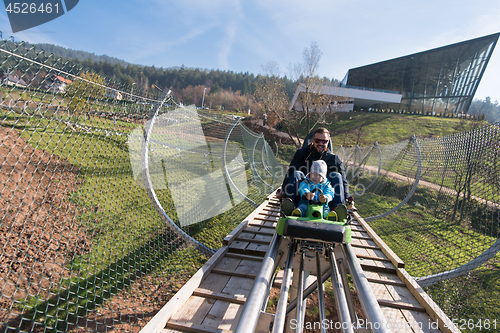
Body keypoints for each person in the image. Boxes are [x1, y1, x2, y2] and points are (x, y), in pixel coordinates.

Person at [278, 127, 353, 221]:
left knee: (337, 176)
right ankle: (292, 206)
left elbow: (343, 181)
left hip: (324, 192)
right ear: (313, 141)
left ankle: (337, 208)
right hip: (304, 191)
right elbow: (291, 173)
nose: (321, 144)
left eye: (324, 141)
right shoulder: (301, 154)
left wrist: (347, 197)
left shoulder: (334, 159)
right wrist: (284, 190)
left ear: (328, 142)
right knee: (297, 173)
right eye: (318, 141)